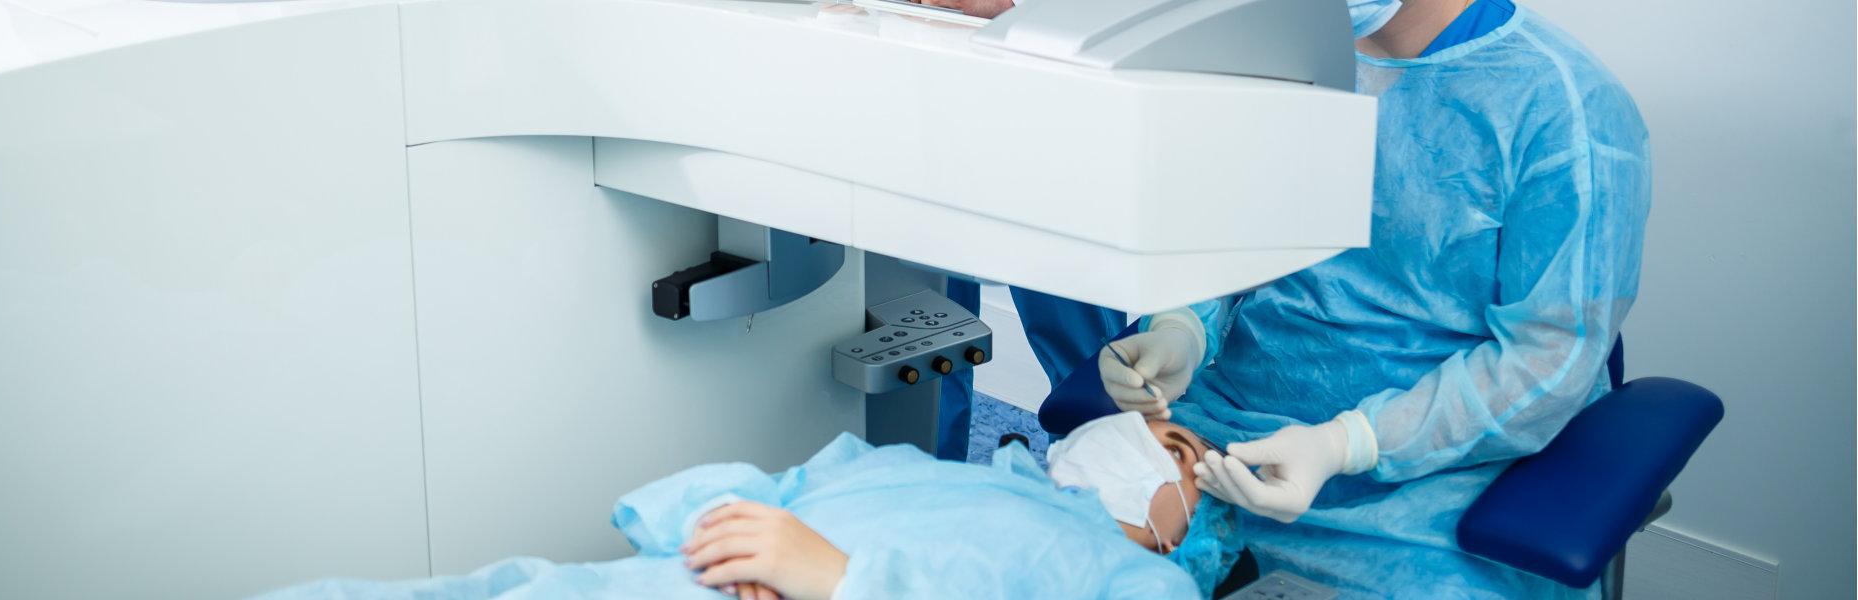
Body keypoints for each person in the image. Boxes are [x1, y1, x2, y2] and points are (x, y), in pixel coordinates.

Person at [1096, 0, 1650, 597]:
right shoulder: (1272, 58)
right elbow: (1223, 230)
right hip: (1226, 431)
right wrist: (1182, 326)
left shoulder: (1563, 108)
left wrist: (1348, 443)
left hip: (1437, 485)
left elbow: (1550, 356)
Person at [252, 415, 1240, 600]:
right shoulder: (929, 463)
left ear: (1171, 513)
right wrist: (733, 528)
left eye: (1184, 452)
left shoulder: (1131, 576)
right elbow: (701, 497)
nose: (1161, 428)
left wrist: (844, 582)